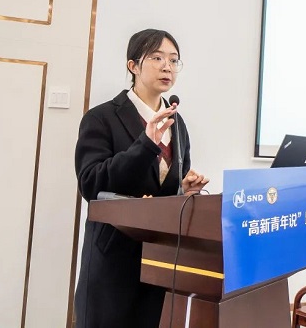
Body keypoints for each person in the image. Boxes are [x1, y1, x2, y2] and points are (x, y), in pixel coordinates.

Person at [74, 29, 208, 328]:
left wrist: (183, 189)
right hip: (114, 257)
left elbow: (161, 189)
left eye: (173, 60)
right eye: (157, 58)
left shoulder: (176, 122)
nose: (167, 67)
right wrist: (145, 145)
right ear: (133, 65)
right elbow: (90, 183)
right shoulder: (102, 117)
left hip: (160, 256)